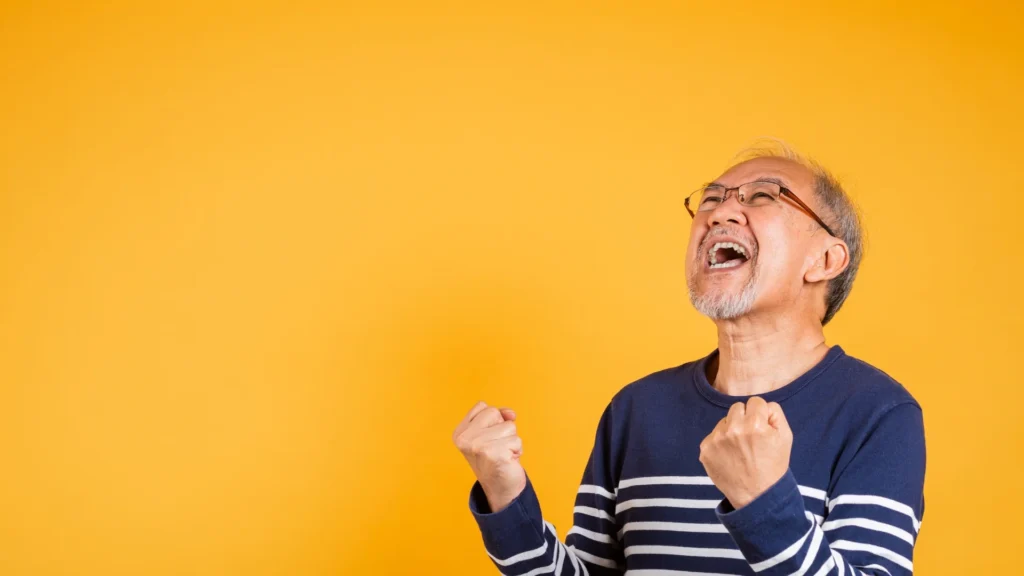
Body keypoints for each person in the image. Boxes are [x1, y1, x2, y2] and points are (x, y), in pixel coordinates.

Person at [452, 141, 926, 576]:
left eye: (762, 197)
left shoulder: (878, 414)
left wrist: (761, 501)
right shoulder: (637, 409)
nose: (721, 213)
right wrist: (504, 494)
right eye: (712, 199)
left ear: (825, 260)